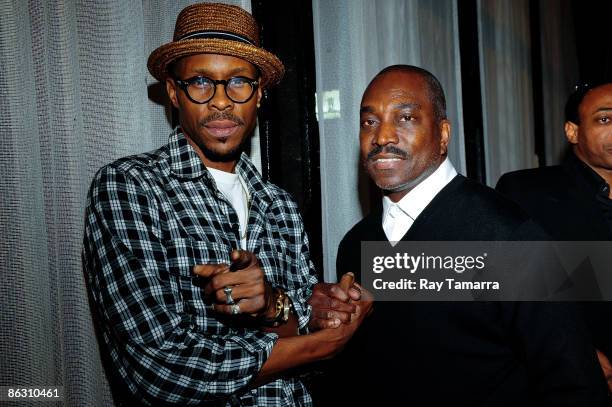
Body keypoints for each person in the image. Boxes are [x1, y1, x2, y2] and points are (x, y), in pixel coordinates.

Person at [82, 3, 370, 406]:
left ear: (259, 94)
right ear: (172, 91)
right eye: (201, 81)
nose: (221, 101)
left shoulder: (280, 207)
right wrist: (322, 345)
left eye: (238, 82)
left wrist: (275, 307)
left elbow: (300, 345)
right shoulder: (131, 187)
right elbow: (160, 368)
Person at [327, 65, 609, 405]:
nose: (382, 136)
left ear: (444, 135)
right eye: (369, 122)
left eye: (406, 118)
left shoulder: (508, 236)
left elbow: (574, 382)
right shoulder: (357, 244)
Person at [496, 79, 612, 392]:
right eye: (605, 119)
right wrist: (574, 350)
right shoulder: (528, 193)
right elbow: (506, 288)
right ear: (572, 131)